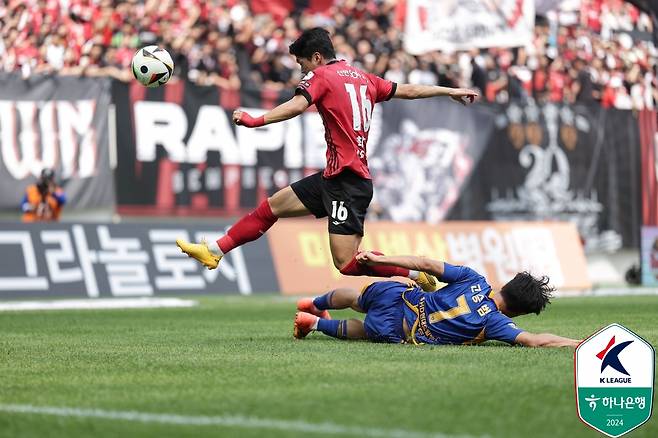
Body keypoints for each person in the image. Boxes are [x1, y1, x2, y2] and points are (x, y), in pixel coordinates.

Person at [176, 28, 477, 290]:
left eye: (302, 63)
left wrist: (256, 121)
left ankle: (415, 272)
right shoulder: (364, 78)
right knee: (271, 207)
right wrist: (448, 90)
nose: (303, 70)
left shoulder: (322, 76)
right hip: (334, 178)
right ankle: (215, 250)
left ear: (317, 57)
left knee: (346, 264)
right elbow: (408, 90)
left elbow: (296, 106)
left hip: (349, 183)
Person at [293, 251, 580, 348]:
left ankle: (317, 303)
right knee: (366, 330)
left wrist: (382, 260)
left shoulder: (473, 278)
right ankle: (314, 324)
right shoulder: (495, 323)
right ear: (517, 313)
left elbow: (424, 263)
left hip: (401, 294)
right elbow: (533, 341)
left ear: (506, 284)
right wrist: (578, 344)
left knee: (358, 298)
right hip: (400, 327)